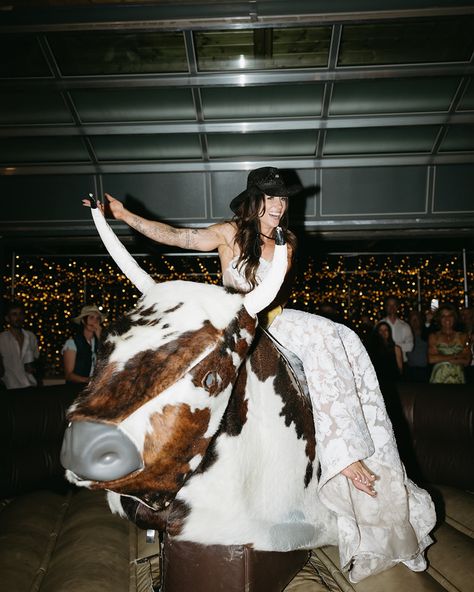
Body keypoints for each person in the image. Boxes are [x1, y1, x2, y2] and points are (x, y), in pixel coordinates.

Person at [83, 167, 435, 582]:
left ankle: (345, 455)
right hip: (234, 326)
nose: (281, 206)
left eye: (285, 199)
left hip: (276, 321)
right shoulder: (228, 233)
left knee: (336, 337)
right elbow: (178, 237)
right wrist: (123, 216)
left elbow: (270, 297)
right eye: (272, 198)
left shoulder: (287, 240)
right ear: (255, 201)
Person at [0, 301, 41, 389]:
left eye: (20, 314)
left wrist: (33, 367)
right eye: (14, 314)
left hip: (30, 385)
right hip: (10, 387)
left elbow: (36, 359)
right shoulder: (2, 339)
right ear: (7, 318)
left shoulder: (30, 336)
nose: (18, 318)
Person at [428, 303, 471, 384]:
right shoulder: (434, 336)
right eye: (443, 316)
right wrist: (456, 356)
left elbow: (467, 360)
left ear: (454, 318)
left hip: (458, 378)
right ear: (439, 319)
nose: (447, 319)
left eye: (450, 315)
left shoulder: (463, 336)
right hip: (439, 378)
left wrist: (441, 358)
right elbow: (431, 359)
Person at [62, 304, 105, 384]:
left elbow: (107, 360)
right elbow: (69, 375)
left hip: (93, 390)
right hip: (74, 389)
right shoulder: (72, 343)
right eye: (91, 317)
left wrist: (100, 338)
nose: (95, 321)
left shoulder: (99, 342)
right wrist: (88, 380)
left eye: (97, 318)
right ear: (83, 321)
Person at [380, 295, 414, 363]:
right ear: (385, 307)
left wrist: (390, 346)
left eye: (394, 305)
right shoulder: (380, 325)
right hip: (385, 363)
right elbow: (378, 345)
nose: (392, 308)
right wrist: (401, 345)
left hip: (402, 362)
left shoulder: (405, 326)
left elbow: (410, 346)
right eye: (389, 305)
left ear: (397, 307)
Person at [406, 310, 429, 382]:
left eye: (416, 319)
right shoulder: (406, 335)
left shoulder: (427, 334)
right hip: (410, 370)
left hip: (425, 370)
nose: (414, 322)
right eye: (412, 319)